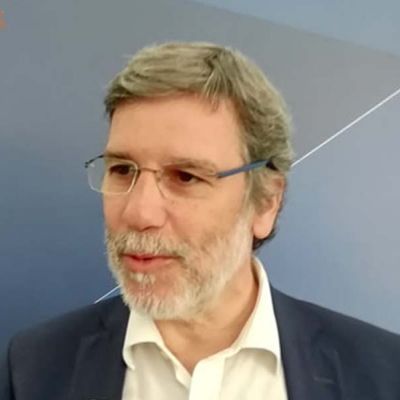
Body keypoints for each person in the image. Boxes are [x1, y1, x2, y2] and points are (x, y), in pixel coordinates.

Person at [1, 42, 400, 400]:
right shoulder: (34, 367)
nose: (139, 213)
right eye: (122, 170)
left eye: (186, 177)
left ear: (266, 203)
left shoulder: (382, 374)